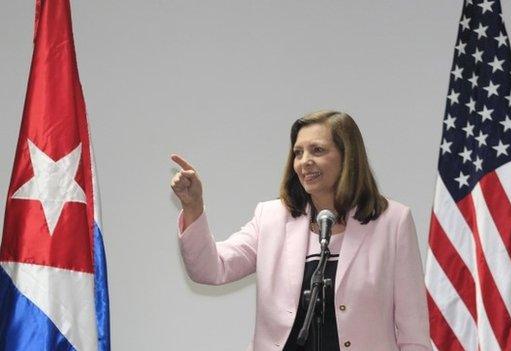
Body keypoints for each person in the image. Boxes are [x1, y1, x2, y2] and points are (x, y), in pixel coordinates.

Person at [170, 110, 431, 351]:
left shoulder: (392, 222)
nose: (304, 162)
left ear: (347, 157)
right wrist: (192, 206)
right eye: (298, 153)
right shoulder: (271, 218)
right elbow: (211, 268)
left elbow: (413, 334)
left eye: (317, 150)